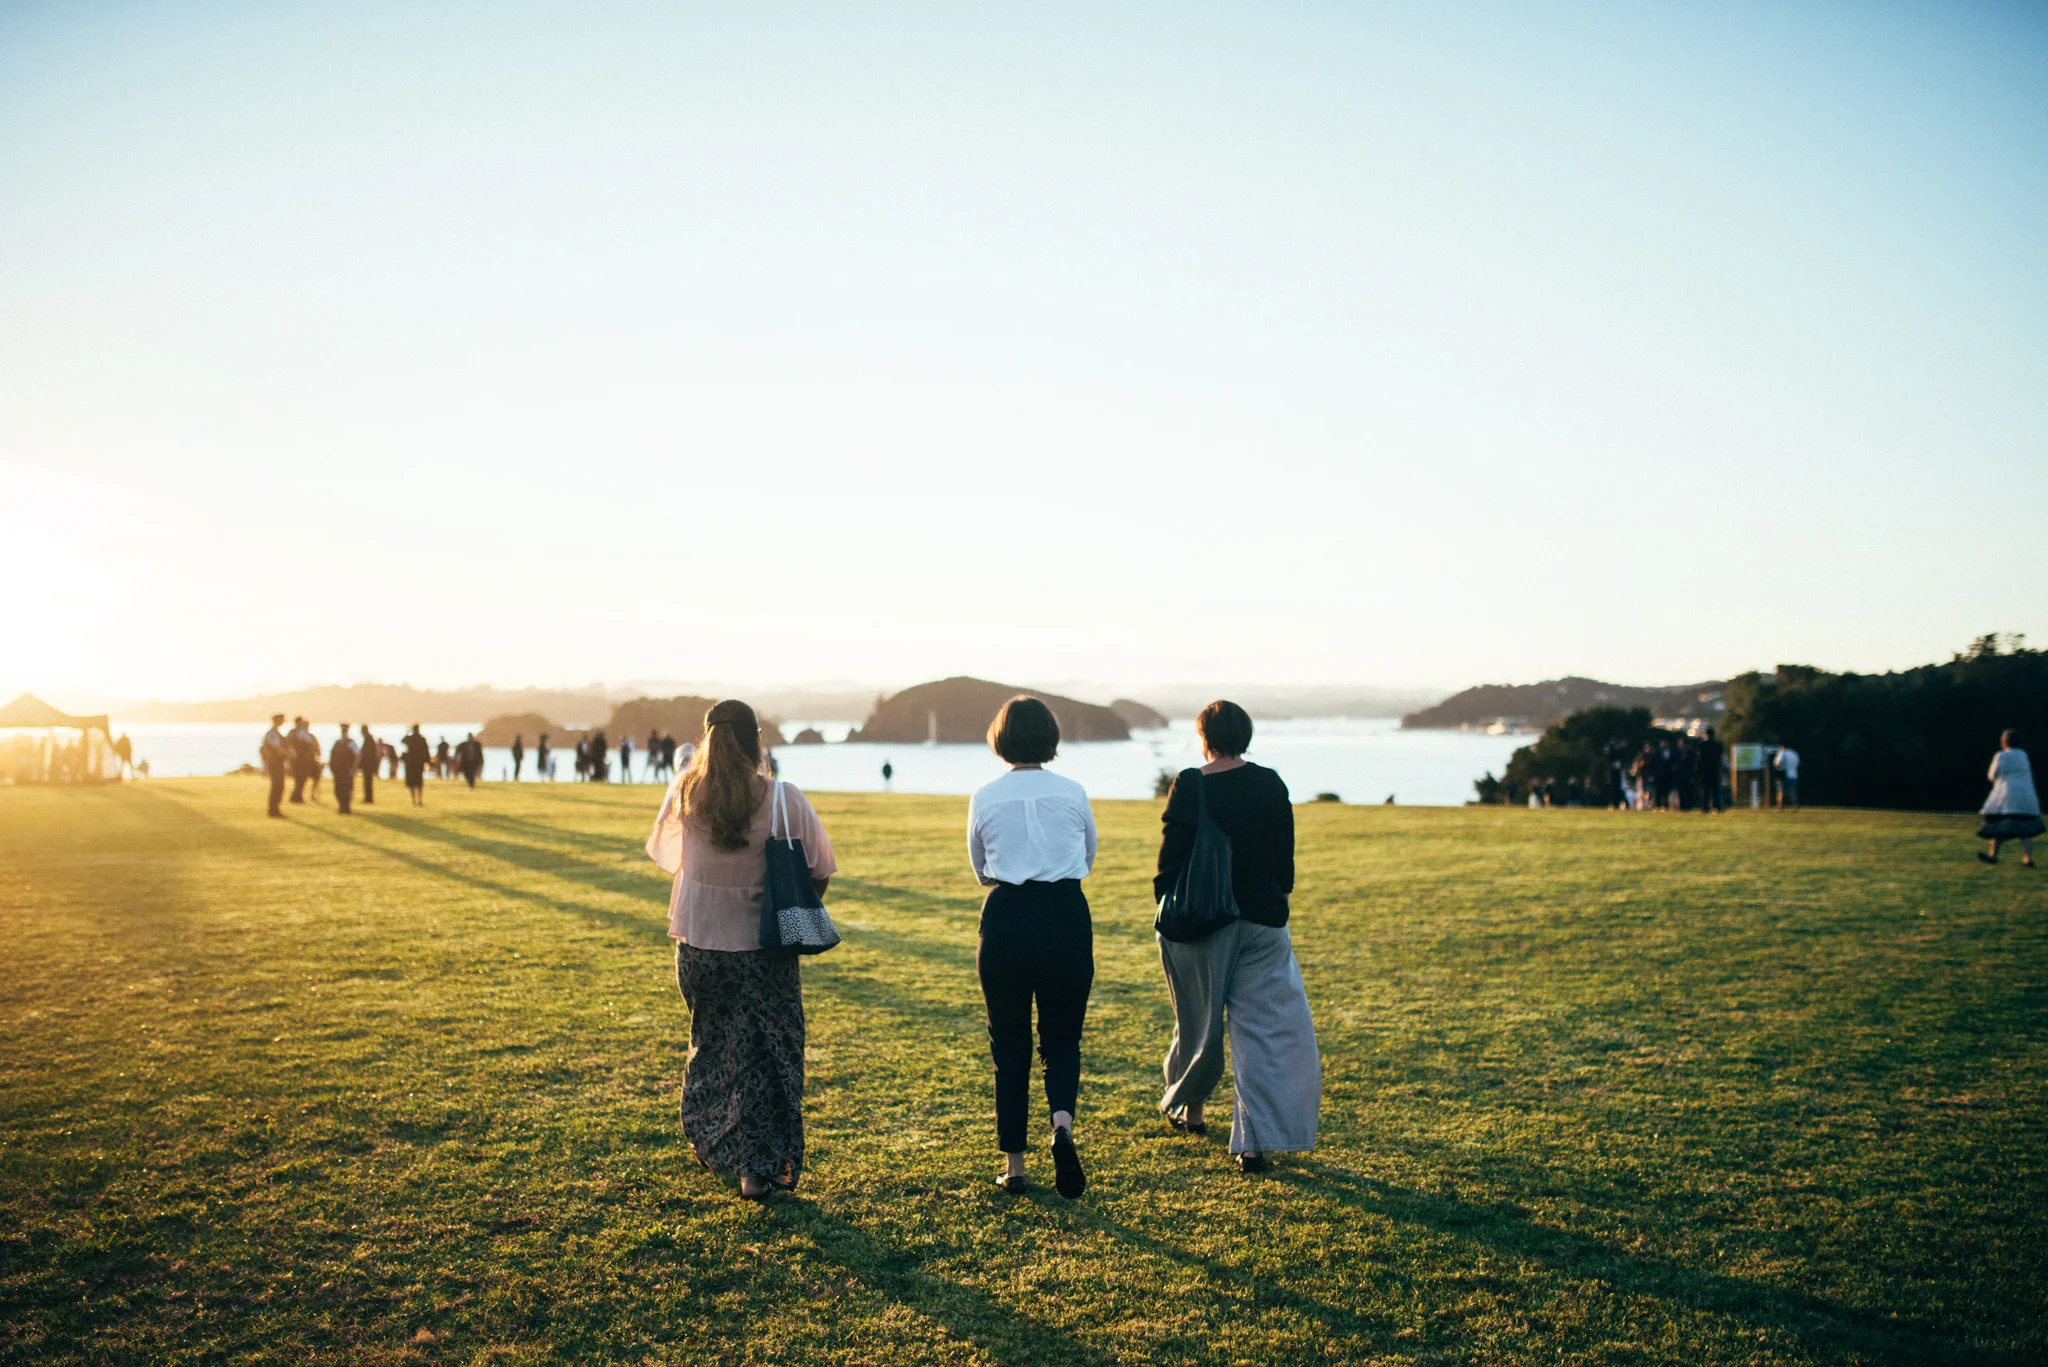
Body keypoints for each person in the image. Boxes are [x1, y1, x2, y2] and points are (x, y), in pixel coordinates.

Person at [644, 700, 837, 1200]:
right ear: (756, 741)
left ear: (708, 742)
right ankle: (757, 1170)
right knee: (768, 1057)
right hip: (762, 948)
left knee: (713, 1047)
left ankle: (715, 1142)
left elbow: (664, 856)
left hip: (699, 946)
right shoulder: (781, 799)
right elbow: (820, 870)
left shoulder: (686, 793)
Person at [1155, 700, 1320, 1174]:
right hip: (1263, 922)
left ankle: (1193, 1110)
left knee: (1199, 1020)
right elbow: (1284, 861)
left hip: (1202, 921)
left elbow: (1170, 858)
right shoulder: (1270, 783)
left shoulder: (1190, 783)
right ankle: (1253, 1144)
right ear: (1245, 736)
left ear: (1204, 737)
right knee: (1261, 1033)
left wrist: (1164, 900)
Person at [967, 696, 1096, 1198]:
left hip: (1006, 919)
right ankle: (1061, 1126)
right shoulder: (1073, 791)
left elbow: (980, 869)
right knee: (1062, 1038)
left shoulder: (985, 796)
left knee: (1010, 1043)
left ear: (1001, 738)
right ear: (1050, 738)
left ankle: (1015, 1166)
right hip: (1065, 914)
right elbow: (1087, 855)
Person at [1978, 729, 2041, 868]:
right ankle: (2028, 859)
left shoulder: (2001, 756)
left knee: (1999, 825)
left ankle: (1993, 855)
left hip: (2007, 797)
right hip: (2025, 796)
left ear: (2004, 742)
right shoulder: (2024, 755)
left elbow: (1992, 775)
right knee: (2026, 829)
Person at [261, 714, 289, 817]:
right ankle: (273, 810)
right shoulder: (272, 734)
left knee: (279, 786)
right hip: (274, 763)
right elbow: (277, 748)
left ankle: (275, 809)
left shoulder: (276, 733)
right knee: (277, 786)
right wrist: (288, 754)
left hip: (278, 763)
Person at [329, 725, 358, 814]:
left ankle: (346, 807)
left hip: (347, 770)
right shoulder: (337, 743)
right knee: (337, 789)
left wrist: (353, 769)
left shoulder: (351, 743)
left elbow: (357, 756)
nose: (343, 733)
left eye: (345, 731)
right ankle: (341, 806)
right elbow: (332, 756)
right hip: (337, 770)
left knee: (347, 789)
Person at [288, 716, 316, 804]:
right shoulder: (302, 732)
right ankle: (297, 796)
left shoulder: (291, 732)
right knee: (301, 778)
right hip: (302, 759)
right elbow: (310, 742)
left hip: (293, 759)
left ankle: (296, 796)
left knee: (297, 778)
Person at [1697, 728, 1724, 813]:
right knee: (1716, 791)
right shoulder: (1718, 745)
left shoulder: (1702, 745)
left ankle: (1705, 807)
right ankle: (1717, 807)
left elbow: (1699, 760)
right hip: (1715, 771)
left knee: (1705, 792)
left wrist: (1698, 772)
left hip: (1705, 771)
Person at [402, 725, 430, 806]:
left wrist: (407, 732)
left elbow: (402, 740)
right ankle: (420, 800)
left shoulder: (410, 738)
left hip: (411, 763)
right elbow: (426, 751)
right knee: (419, 782)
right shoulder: (422, 739)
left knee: (412, 783)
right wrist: (427, 762)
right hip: (418, 763)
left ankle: (414, 800)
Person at [1775, 745, 1801, 809]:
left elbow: (1777, 764)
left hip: (1784, 774)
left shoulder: (1782, 754)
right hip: (1794, 775)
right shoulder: (1794, 754)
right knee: (1792, 791)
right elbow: (1798, 764)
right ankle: (1795, 805)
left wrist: (1777, 766)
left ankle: (1780, 806)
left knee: (1780, 791)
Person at [357, 727, 379, 805]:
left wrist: (360, 764)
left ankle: (368, 798)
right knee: (368, 782)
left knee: (367, 782)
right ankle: (368, 798)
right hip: (369, 765)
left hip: (368, 765)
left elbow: (366, 753)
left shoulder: (368, 739)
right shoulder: (368, 739)